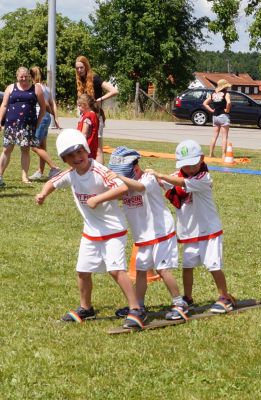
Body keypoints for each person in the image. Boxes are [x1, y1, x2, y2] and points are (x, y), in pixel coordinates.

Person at [34, 129, 145, 329]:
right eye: (71, 155)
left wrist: (98, 199)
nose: (77, 158)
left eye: (80, 152)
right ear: (65, 160)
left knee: (115, 270)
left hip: (113, 230)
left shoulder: (99, 171)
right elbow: (52, 182)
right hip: (91, 232)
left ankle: (136, 308)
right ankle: (86, 308)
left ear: (86, 150)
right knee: (83, 272)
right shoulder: (71, 174)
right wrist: (43, 194)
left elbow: (122, 188)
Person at [146, 139, 235, 313]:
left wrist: (160, 175)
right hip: (190, 232)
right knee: (187, 266)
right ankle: (188, 297)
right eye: (185, 166)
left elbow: (180, 183)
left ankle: (224, 297)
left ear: (201, 159)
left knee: (214, 265)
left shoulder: (204, 177)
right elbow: (162, 183)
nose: (190, 169)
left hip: (209, 231)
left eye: (193, 164)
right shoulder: (178, 175)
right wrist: (147, 176)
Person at [106, 146, 189, 320]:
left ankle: (180, 303)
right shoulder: (126, 183)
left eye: (123, 173)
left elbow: (141, 187)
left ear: (135, 169)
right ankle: (138, 305)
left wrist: (120, 177)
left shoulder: (148, 178)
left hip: (161, 232)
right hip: (143, 236)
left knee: (162, 269)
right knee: (141, 270)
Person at [0, 67, 46, 186]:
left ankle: (25, 176)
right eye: (21, 77)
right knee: (7, 149)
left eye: (26, 76)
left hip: (28, 125)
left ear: (29, 76)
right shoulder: (10, 88)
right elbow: (4, 105)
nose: (24, 79)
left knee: (25, 150)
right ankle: (0, 175)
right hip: (11, 125)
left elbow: (43, 108)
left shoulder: (36, 88)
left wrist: (38, 123)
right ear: (17, 77)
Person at [75, 55, 119, 164]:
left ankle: (100, 171)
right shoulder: (80, 80)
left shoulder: (95, 79)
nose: (79, 70)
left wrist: (100, 99)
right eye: (77, 68)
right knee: (84, 144)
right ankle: (87, 169)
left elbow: (114, 91)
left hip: (96, 117)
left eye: (81, 67)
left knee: (98, 148)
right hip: (85, 117)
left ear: (86, 67)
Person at [28, 66, 62, 181]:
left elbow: (46, 104)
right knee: (42, 146)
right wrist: (55, 118)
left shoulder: (36, 87)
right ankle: (40, 171)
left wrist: (50, 112)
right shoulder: (46, 88)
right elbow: (53, 103)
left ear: (31, 76)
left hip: (40, 117)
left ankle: (54, 168)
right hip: (46, 118)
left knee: (34, 146)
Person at [203, 79, 232, 159]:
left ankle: (211, 154)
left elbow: (204, 103)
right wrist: (227, 110)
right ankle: (223, 155)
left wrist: (212, 110)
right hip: (223, 116)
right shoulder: (226, 94)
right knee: (224, 137)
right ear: (224, 86)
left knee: (214, 136)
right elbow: (229, 102)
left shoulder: (213, 94)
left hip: (215, 116)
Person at [76, 94, 100, 161]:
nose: (78, 108)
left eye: (79, 106)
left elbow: (84, 134)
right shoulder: (91, 115)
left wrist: (78, 145)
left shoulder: (88, 116)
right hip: (91, 147)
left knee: (84, 164)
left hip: (86, 147)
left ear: (86, 105)